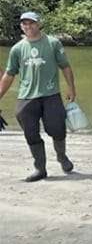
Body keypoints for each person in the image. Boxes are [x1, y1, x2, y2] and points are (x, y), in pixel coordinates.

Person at [0, 12, 77, 182]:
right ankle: (40, 169)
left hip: (50, 95)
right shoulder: (17, 49)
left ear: (39, 24)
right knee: (30, 132)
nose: (28, 26)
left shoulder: (52, 43)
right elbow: (9, 74)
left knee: (57, 127)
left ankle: (62, 157)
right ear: (21, 26)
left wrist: (71, 88)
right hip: (26, 96)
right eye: (25, 24)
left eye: (31, 23)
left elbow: (65, 67)